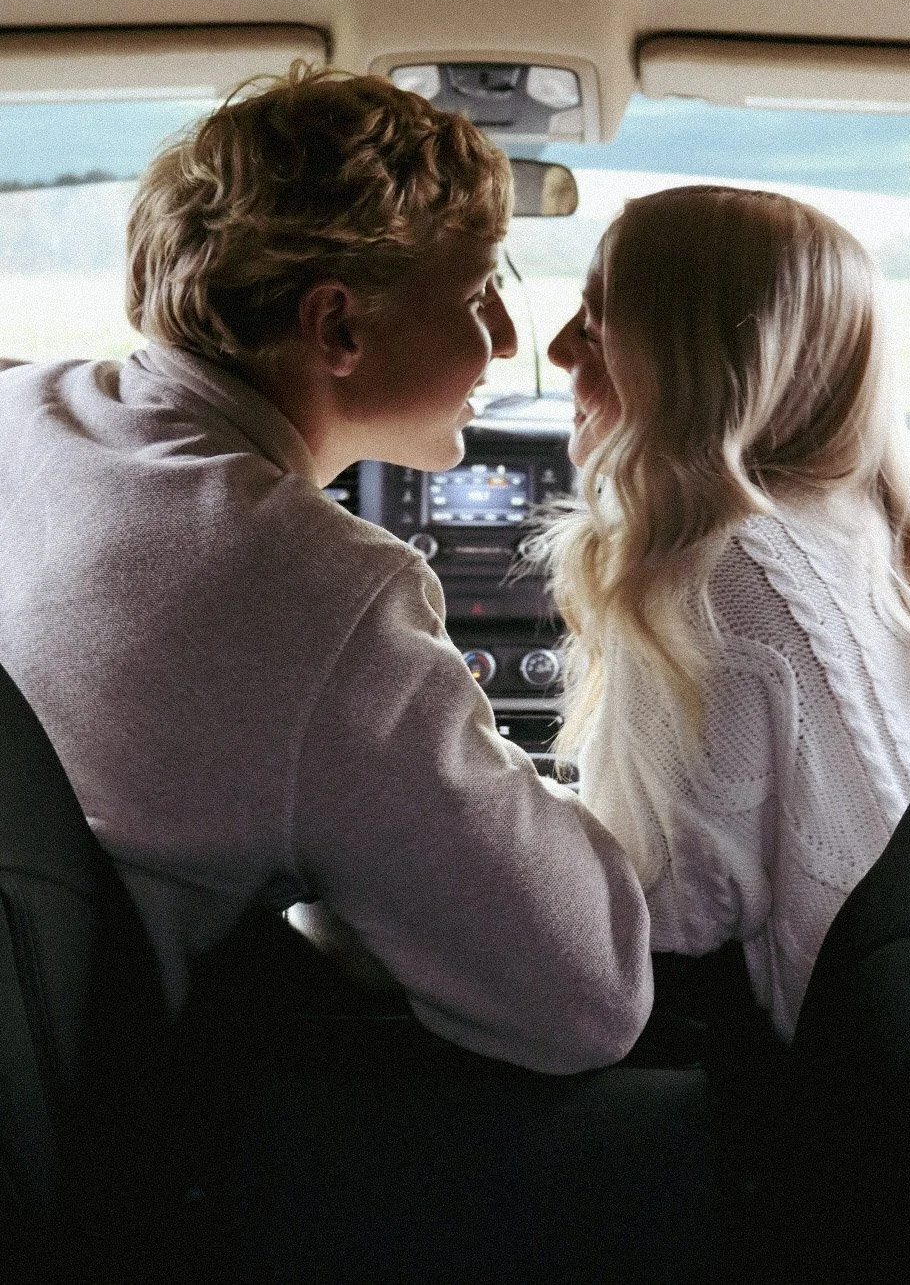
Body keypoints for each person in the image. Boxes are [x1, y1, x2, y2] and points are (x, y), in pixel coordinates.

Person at [0, 63, 654, 1074]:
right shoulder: (320, 589)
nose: (510, 341)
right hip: (108, 1126)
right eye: (482, 294)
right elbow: (583, 1001)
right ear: (338, 326)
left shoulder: (22, 412)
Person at [544, 184, 910, 1042]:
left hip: (815, 1099)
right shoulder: (889, 538)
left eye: (596, 326)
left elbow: (664, 921)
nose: (561, 350)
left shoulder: (711, 572)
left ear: (691, 367)